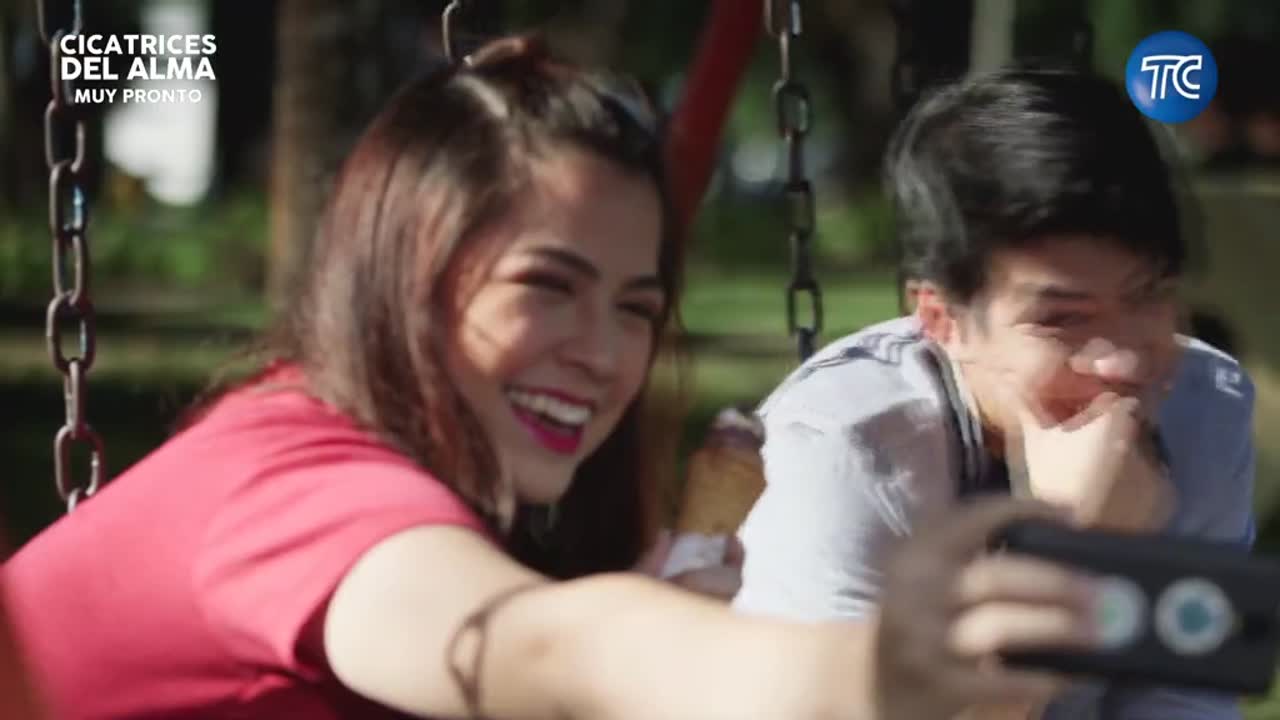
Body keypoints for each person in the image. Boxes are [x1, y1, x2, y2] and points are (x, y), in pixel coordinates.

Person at [4, 39, 1107, 719]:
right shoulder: (309, 492)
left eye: (634, 306)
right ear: (410, 274)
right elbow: (541, 645)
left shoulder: (396, 467)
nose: (603, 350)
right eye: (547, 285)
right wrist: (866, 670)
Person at [734, 67, 1258, 719]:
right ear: (942, 321)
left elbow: (1185, 704)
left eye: (1148, 295)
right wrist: (1071, 556)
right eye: (1062, 319)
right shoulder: (845, 451)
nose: (1123, 362)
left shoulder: (1205, 408)